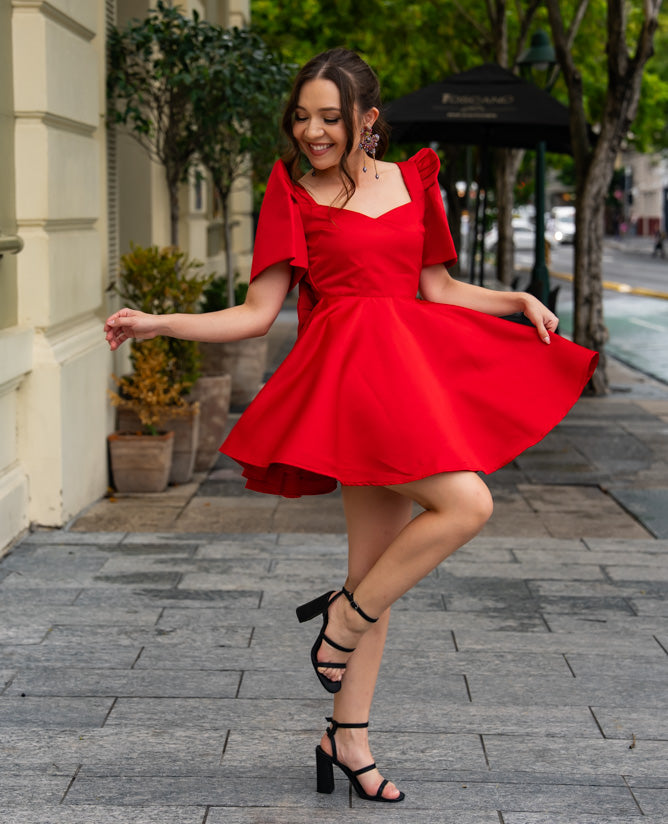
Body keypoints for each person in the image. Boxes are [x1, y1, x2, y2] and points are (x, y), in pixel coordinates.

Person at [105, 48, 598, 804]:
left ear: (367, 119)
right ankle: (342, 619)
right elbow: (256, 314)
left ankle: (347, 734)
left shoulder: (413, 181)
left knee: (379, 573)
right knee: (467, 504)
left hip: (408, 380)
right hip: (349, 391)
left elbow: (435, 285)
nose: (312, 131)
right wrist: (155, 323)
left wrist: (514, 301)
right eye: (302, 117)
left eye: (330, 117)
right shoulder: (291, 195)